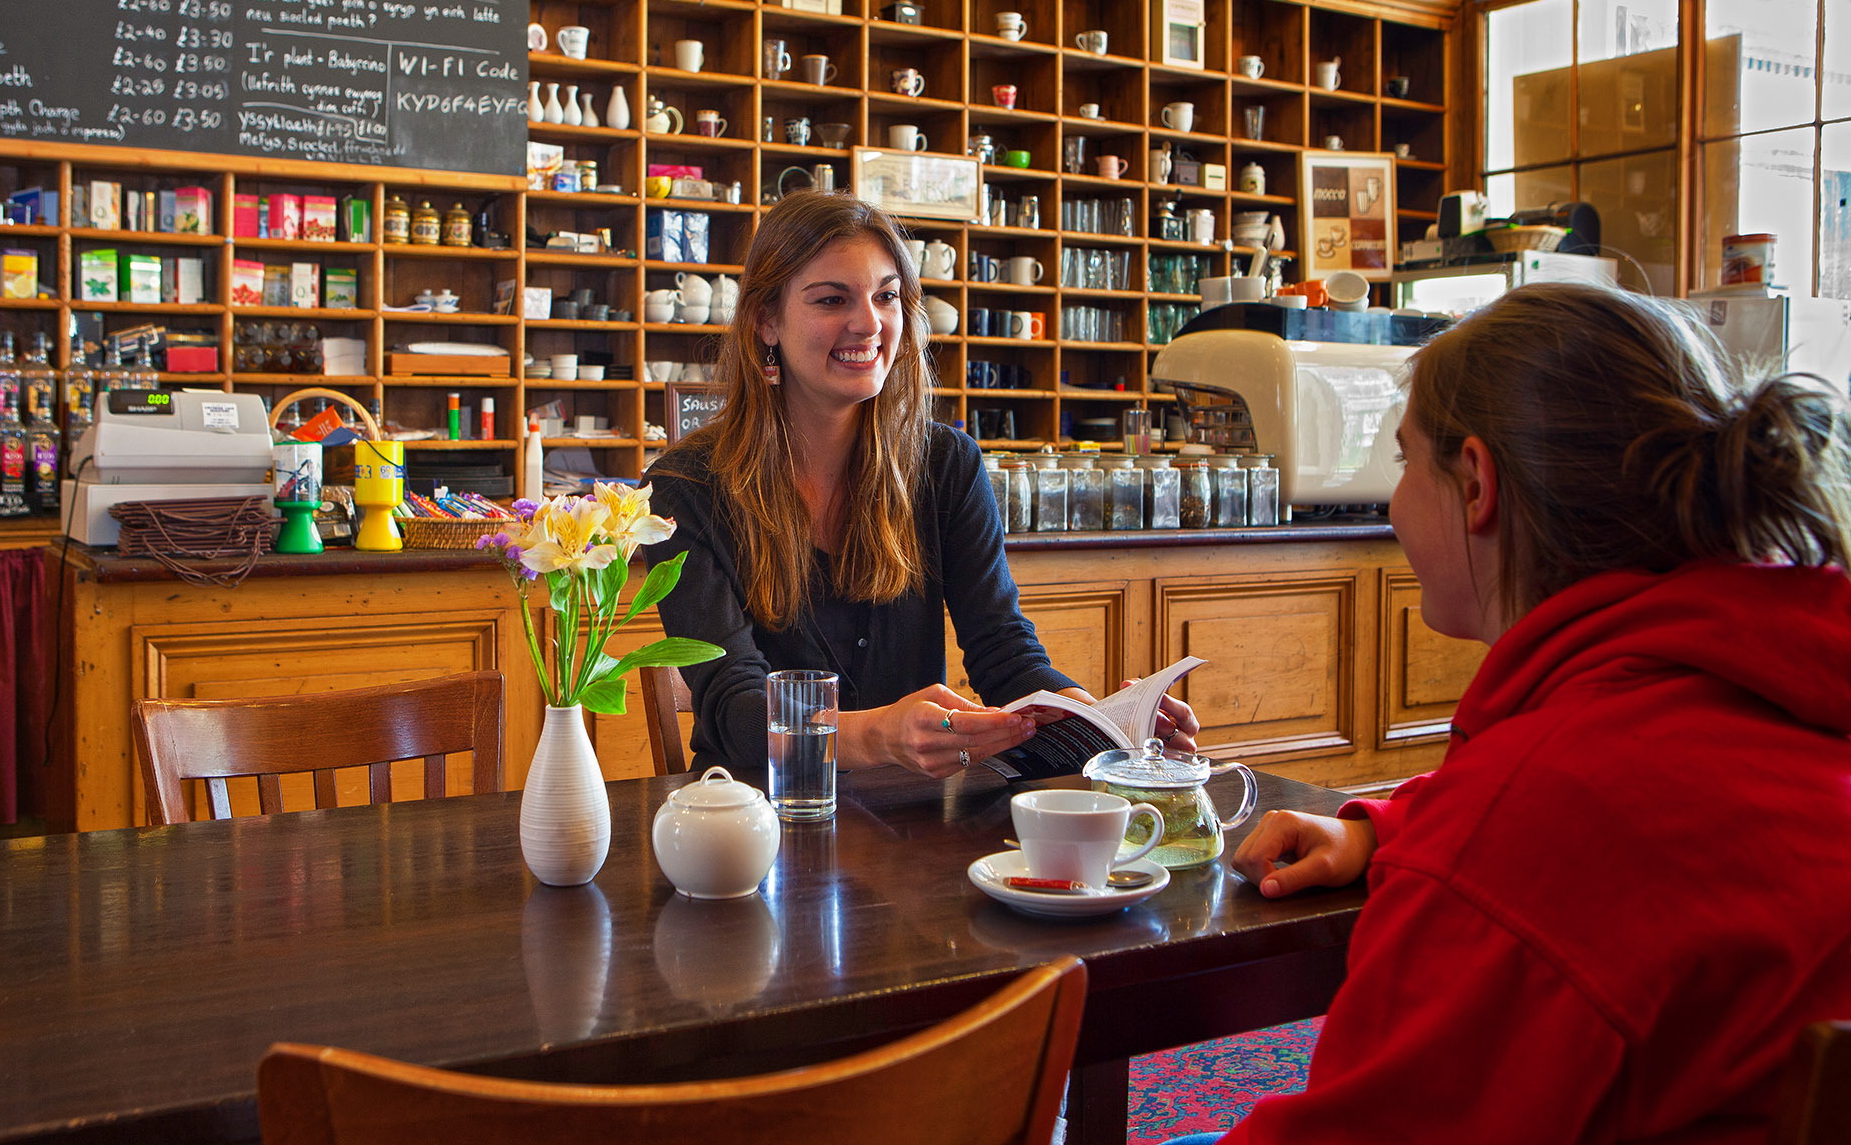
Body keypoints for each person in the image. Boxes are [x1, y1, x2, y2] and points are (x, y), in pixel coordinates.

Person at [1205, 283, 1851, 1144]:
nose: (1393, 509)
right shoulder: (1783, 687)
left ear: (1476, 482)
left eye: (1402, 465)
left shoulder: (1534, 823)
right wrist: (1394, 829)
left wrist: (1458, 852)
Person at [645, 190, 1198, 778]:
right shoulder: (686, 490)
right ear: (766, 321)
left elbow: (1005, 656)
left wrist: (1103, 722)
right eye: (832, 299)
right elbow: (737, 708)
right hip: (752, 824)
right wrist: (878, 735)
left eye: (887, 296)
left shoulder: (946, 466)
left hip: (914, 823)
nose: (868, 323)